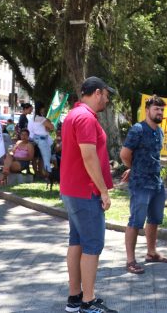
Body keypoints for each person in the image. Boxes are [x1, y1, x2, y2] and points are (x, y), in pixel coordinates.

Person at [60, 76, 117, 313]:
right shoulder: (84, 117)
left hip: (72, 190)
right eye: (106, 94)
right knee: (93, 245)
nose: (107, 99)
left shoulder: (75, 114)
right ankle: (88, 302)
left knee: (77, 242)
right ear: (96, 93)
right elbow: (89, 156)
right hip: (86, 191)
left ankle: (75, 297)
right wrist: (103, 191)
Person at [120, 95, 167, 275]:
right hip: (140, 183)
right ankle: (130, 260)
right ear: (147, 110)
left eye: (162, 110)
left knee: (155, 219)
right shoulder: (137, 130)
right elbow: (124, 154)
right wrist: (134, 168)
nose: (160, 112)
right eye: (156, 109)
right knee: (136, 221)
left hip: (156, 182)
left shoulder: (159, 131)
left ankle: (151, 253)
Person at [29, 104, 55, 175]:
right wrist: (50, 124)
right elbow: (52, 127)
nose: (44, 110)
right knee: (46, 158)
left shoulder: (34, 118)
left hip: (36, 138)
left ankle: (42, 173)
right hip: (42, 139)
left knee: (39, 157)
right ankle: (48, 174)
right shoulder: (41, 118)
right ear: (41, 109)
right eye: (43, 108)